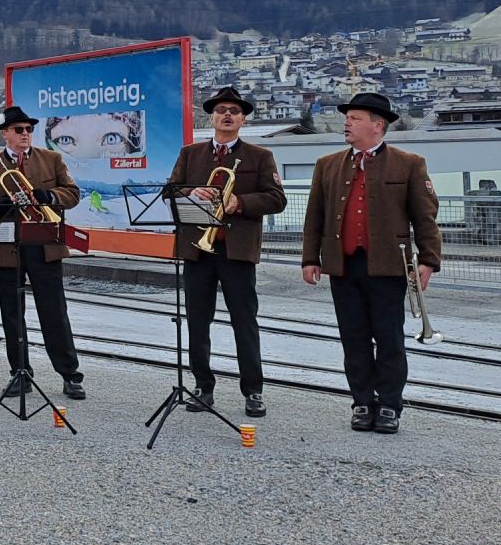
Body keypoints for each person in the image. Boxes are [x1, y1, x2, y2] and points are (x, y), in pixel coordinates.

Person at [301, 92, 441, 434]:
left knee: (389, 337)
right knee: (353, 337)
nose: (347, 123)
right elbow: (314, 216)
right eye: (348, 118)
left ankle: (390, 404)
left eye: (356, 118)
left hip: (388, 266)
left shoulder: (409, 163)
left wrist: (429, 260)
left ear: (378, 126)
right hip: (343, 265)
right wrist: (309, 258)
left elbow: (425, 217)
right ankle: (362, 401)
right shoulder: (328, 164)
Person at [166, 87, 287, 419]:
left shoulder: (259, 156)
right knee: (197, 323)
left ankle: (253, 391)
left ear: (243, 119)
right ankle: (203, 385)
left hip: (237, 251)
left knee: (244, 322)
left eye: (234, 110)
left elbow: (277, 198)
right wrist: (192, 190)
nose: (227, 115)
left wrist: (240, 202)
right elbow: (169, 190)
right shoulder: (190, 153)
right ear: (212, 116)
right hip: (197, 250)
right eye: (221, 110)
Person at [0, 105, 86, 399]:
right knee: (12, 314)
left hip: (45, 245)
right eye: (19, 130)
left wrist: (50, 196)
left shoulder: (52, 159)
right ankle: (19, 372)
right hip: (8, 247)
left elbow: (73, 194)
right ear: (5, 134)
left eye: (29, 130)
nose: (25, 134)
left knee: (55, 312)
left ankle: (70, 374)